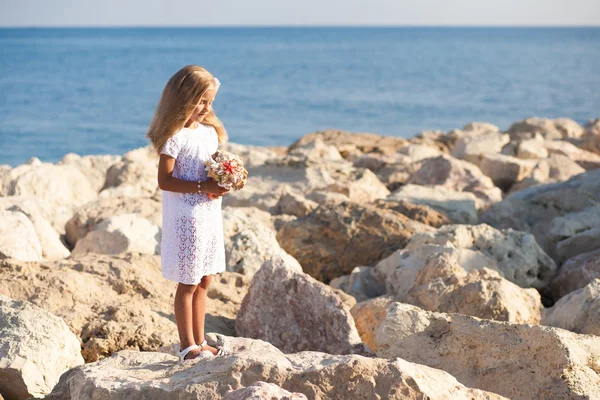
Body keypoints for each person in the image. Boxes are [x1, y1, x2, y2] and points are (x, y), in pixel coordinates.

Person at [147, 65, 231, 361]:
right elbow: (164, 181)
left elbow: (209, 167)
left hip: (208, 213)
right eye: (202, 102)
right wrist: (201, 186)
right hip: (186, 216)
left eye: (210, 102)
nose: (207, 108)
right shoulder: (175, 137)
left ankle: (201, 339)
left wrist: (224, 179)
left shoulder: (208, 133)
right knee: (189, 280)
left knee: (205, 278)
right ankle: (187, 346)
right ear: (184, 100)